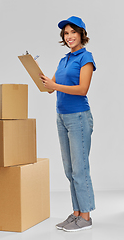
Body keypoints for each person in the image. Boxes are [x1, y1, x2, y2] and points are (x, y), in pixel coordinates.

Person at [40, 16, 96, 232]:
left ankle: (86, 216)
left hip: (79, 117)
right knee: (70, 169)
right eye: (66, 33)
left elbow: (82, 89)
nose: (69, 36)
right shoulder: (64, 60)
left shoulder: (86, 58)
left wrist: (54, 84)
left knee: (80, 169)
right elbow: (50, 88)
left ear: (82, 34)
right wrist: (40, 76)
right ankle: (76, 213)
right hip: (61, 116)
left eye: (73, 32)